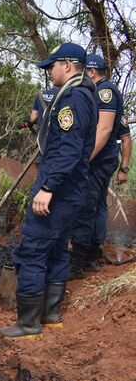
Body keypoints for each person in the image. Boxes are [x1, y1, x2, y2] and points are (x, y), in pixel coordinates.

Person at [0, 43, 97, 339]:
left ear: (67, 65)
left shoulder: (73, 99)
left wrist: (48, 187)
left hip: (59, 189)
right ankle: (51, 315)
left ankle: (28, 323)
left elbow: (67, 150)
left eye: (51, 66)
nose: (48, 71)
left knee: (33, 249)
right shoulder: (84, 95)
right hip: (72, 188)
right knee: (56, 249)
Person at [69, 54, 125, 278]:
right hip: (104, 159)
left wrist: (85, 158)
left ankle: (79, 261)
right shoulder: (104, 90)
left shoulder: (105, 91)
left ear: (91, 72)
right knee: (97, 205)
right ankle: (92, 254)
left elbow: (104, 130)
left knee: (86, 206)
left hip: (99, 159)